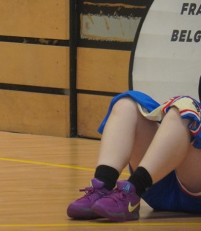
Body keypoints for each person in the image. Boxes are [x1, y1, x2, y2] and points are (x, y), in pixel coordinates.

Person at [67, 90, 201, 222]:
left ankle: (135, 187)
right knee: (127, 103)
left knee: (185, 109)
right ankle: (102, 187)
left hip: (195, 188)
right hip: (156, 186)